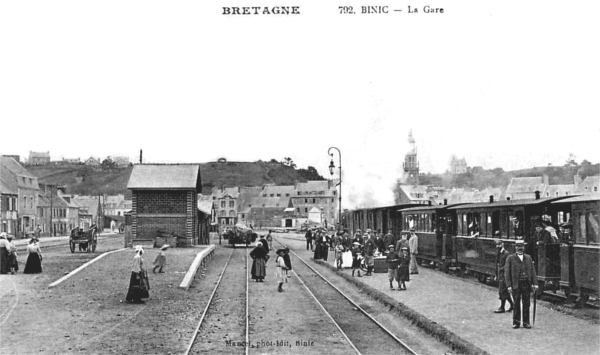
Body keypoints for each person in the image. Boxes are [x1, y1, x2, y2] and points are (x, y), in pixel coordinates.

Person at [505, 240, 538, 329]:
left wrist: (535, 283)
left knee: (526, 303)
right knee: (516, 303)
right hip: (516, 284)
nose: (520, 248)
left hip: (526, 284)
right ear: (515, 247)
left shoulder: (528, 258)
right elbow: (507, 273)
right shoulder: (510, 258)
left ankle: (526, 322)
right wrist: (508, 285)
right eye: (518, 246)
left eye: (521, 246)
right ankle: (516, 323)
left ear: (524, 247)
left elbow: (533, 271)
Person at [494, 239, 514, 313]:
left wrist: (501, 269)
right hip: (500, 274)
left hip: (504, 275)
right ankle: (512, 305)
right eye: (496, 245)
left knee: (502, 291)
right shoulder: (498, 253)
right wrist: (496, 274)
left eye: (499, 244)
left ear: (502, 244)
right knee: (504, 291)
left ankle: (502, 307)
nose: (497, 246)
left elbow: (507, 265)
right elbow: (497, 263)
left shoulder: (506, 254)